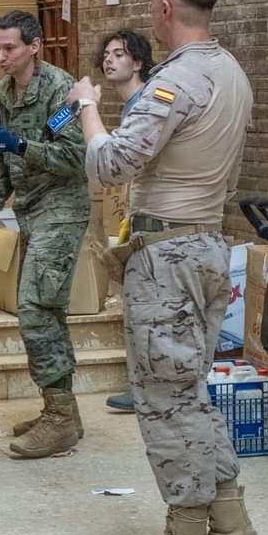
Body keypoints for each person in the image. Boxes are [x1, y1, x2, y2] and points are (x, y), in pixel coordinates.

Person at [67, 0, 264, 535]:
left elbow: (113, 165)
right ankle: (230, 532)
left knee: (164, 401)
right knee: (190, 392)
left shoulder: (175, 81)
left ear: (163, 9)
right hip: (208, 244)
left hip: (168, 258)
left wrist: (87, 111)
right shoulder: (232, 74)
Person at [0, 10, 89, 459]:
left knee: (36, 307)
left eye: (10, 48)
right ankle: (63, 412)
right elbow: (4, 166)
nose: (1, 56)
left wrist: (19, 144)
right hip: (29, 209)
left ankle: (59, 418)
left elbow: (73, 159)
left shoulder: (61, 90)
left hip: (62, 206)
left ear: (34, 46)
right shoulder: (4, 92)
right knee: (46, 308)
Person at [94, 29, 154, 415]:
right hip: (138, 216)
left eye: (119, 54)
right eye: (107, 54)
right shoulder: (130, 104)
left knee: (144, 307)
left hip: (156, 222)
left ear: (138, 62)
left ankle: (145, 388)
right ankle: (140, 384)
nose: (109, 59)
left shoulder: (145, 103)